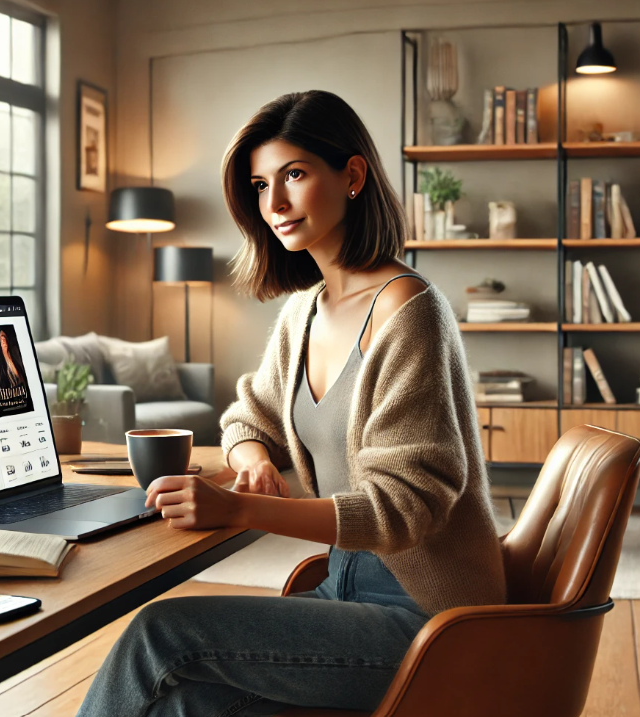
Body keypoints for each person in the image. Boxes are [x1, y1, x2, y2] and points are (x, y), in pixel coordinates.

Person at [75, 90, 506, 717]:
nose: (273, 204)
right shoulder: (304, 311)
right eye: (258, 185)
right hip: (341, 588)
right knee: (187, 706)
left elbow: (402, 509)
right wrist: (251, 458)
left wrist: (241, 507)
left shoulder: (409, 313)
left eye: (294, 175)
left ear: (352, 176)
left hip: (429, 622)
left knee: (160, 633)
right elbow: (249, 415)